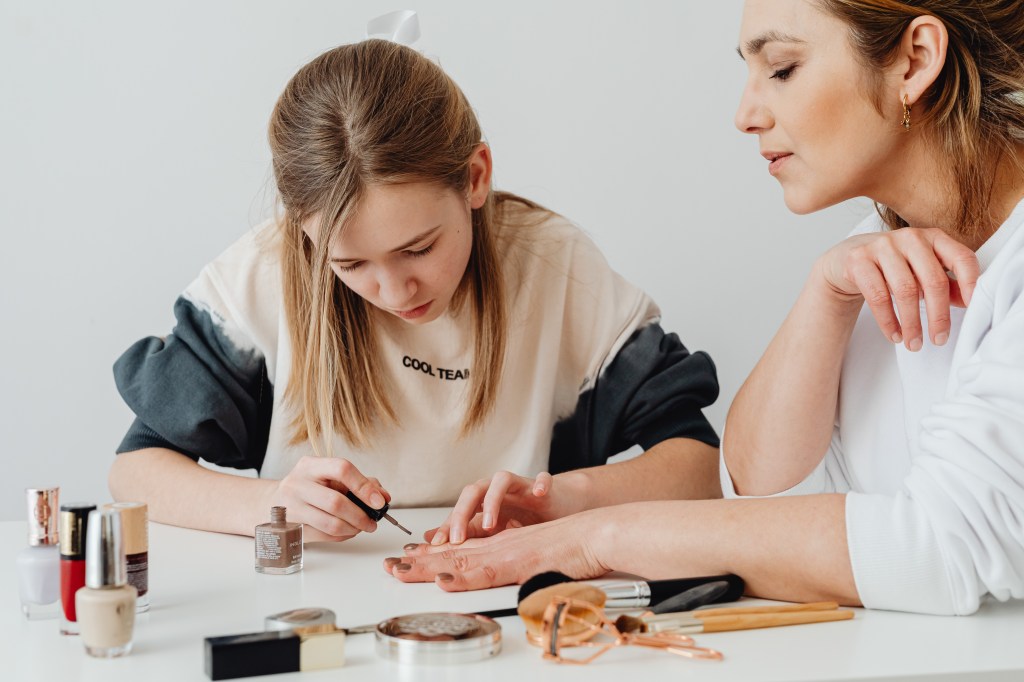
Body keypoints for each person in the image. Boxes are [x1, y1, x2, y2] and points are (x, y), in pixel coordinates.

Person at [388, 0, 1024, 616]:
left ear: (914, 61)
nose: (745, 115)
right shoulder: (876, 253)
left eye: (781, 69)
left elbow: (941, 549)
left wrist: (598, 539)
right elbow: (757, 490)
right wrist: (822, 297)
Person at [107, 39, 722, 542]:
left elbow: (696, 465)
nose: (395, 290)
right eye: (349, 264)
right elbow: (134, 471)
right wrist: (272, 505)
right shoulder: (259, 279)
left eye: (420, 248)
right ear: (305, 231)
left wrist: (562, 497)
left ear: (475, 178)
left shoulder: (555, 266)